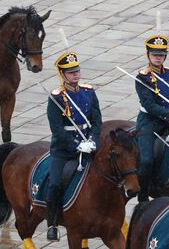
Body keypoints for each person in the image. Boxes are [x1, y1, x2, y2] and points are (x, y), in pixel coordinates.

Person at [46, 51, 102, 241]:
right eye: (70, 72)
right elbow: (57, 130)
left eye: (76, 71)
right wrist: (77, 145)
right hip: (64, 150)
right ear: (62, 74)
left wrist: (93, 140)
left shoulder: (88, 91)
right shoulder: (56, 97)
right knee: (54, 184)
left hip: (89, 143)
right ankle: (52, 223)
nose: (75, 75)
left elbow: (97, 120)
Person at [136, 34, 169, 202]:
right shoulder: (142, 78)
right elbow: (149, 105)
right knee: (146, 160)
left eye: (161, 55)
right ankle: (143, 196)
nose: (158, 58)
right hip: (150, 124)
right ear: (148, 55)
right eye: (154, 54)